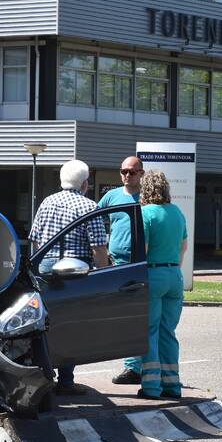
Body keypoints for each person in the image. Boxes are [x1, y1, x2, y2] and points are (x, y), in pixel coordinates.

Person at [29, 159, 109, 395]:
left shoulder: (47, 202)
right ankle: (65, 381)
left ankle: (42, 375)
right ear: (85, 183)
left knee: (44, 324)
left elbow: (34, 239)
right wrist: (103, 275)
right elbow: (98, 249)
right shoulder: (89, 207)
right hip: (74, 273)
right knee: (72, 325)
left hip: (44, 270)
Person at [135, 170, 188, 400]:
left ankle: (151, 387)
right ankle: (172, 386)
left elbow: (142, 251)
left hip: (153, 274)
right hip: (174, 273)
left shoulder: (145, 214)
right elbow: (183, 248)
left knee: (150, 331)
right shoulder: (177, 212)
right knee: (168, 331)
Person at [97, 156, 145, 386]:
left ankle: (135, 367)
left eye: (132, 172)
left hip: (141, 264)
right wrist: (102, 251)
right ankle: (134, 366)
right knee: (125, 315)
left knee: (137, 315)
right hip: (117, 264)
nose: (127, 175)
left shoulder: (148, 198)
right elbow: (94, 221)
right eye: (123, 171)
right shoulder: (112, 196)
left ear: (141, 174)